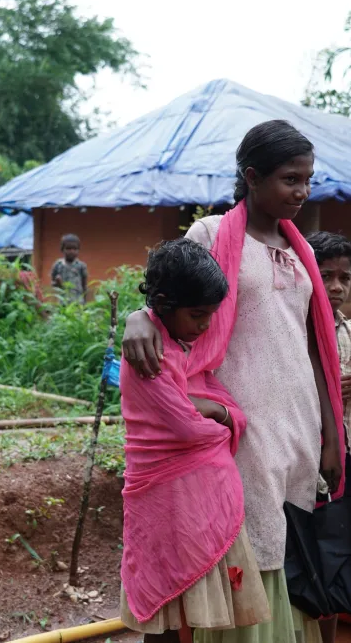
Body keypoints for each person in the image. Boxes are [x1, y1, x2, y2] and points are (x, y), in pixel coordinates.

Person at [122, 120, 346, 643]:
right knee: (245, 540)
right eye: (291, 179)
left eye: (309, 180)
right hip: (234, 421)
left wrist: (332, 434)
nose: (302, 191)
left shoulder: (302, 250)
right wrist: (137, 316)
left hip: (298, 420)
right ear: (251, 176)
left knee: (291, 543)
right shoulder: (212, 234)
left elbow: (315, 346)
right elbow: (169, 292)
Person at [119, 239, 270, 642]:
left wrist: (210, 407)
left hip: (193, 500)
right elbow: (188, 429)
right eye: (198, 315)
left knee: (184, 612)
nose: (205, 326)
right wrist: (223, 414)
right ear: (164, 304)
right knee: (168, 610)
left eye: (211, 316)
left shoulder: (184, 345)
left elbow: (198, 408)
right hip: (167, 499)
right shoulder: (149, 354)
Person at [306, 231, 351, 643]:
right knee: (306, 545)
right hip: (305, 455)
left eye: (343, 277)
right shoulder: (298, 330)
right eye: (326, 275)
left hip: (344, 455)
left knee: (336, 550)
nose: (335, 286)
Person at [50, 233, 88, 303]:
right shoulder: (58, 265)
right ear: (62, 249)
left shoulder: (81, 266)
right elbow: (53, 284)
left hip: (78, 303)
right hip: (63, 303)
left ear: (78, 250)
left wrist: (85, 302)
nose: (72, 251)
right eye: (68, 248)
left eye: (75, 249)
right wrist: (57, 283)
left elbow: (84, 285)